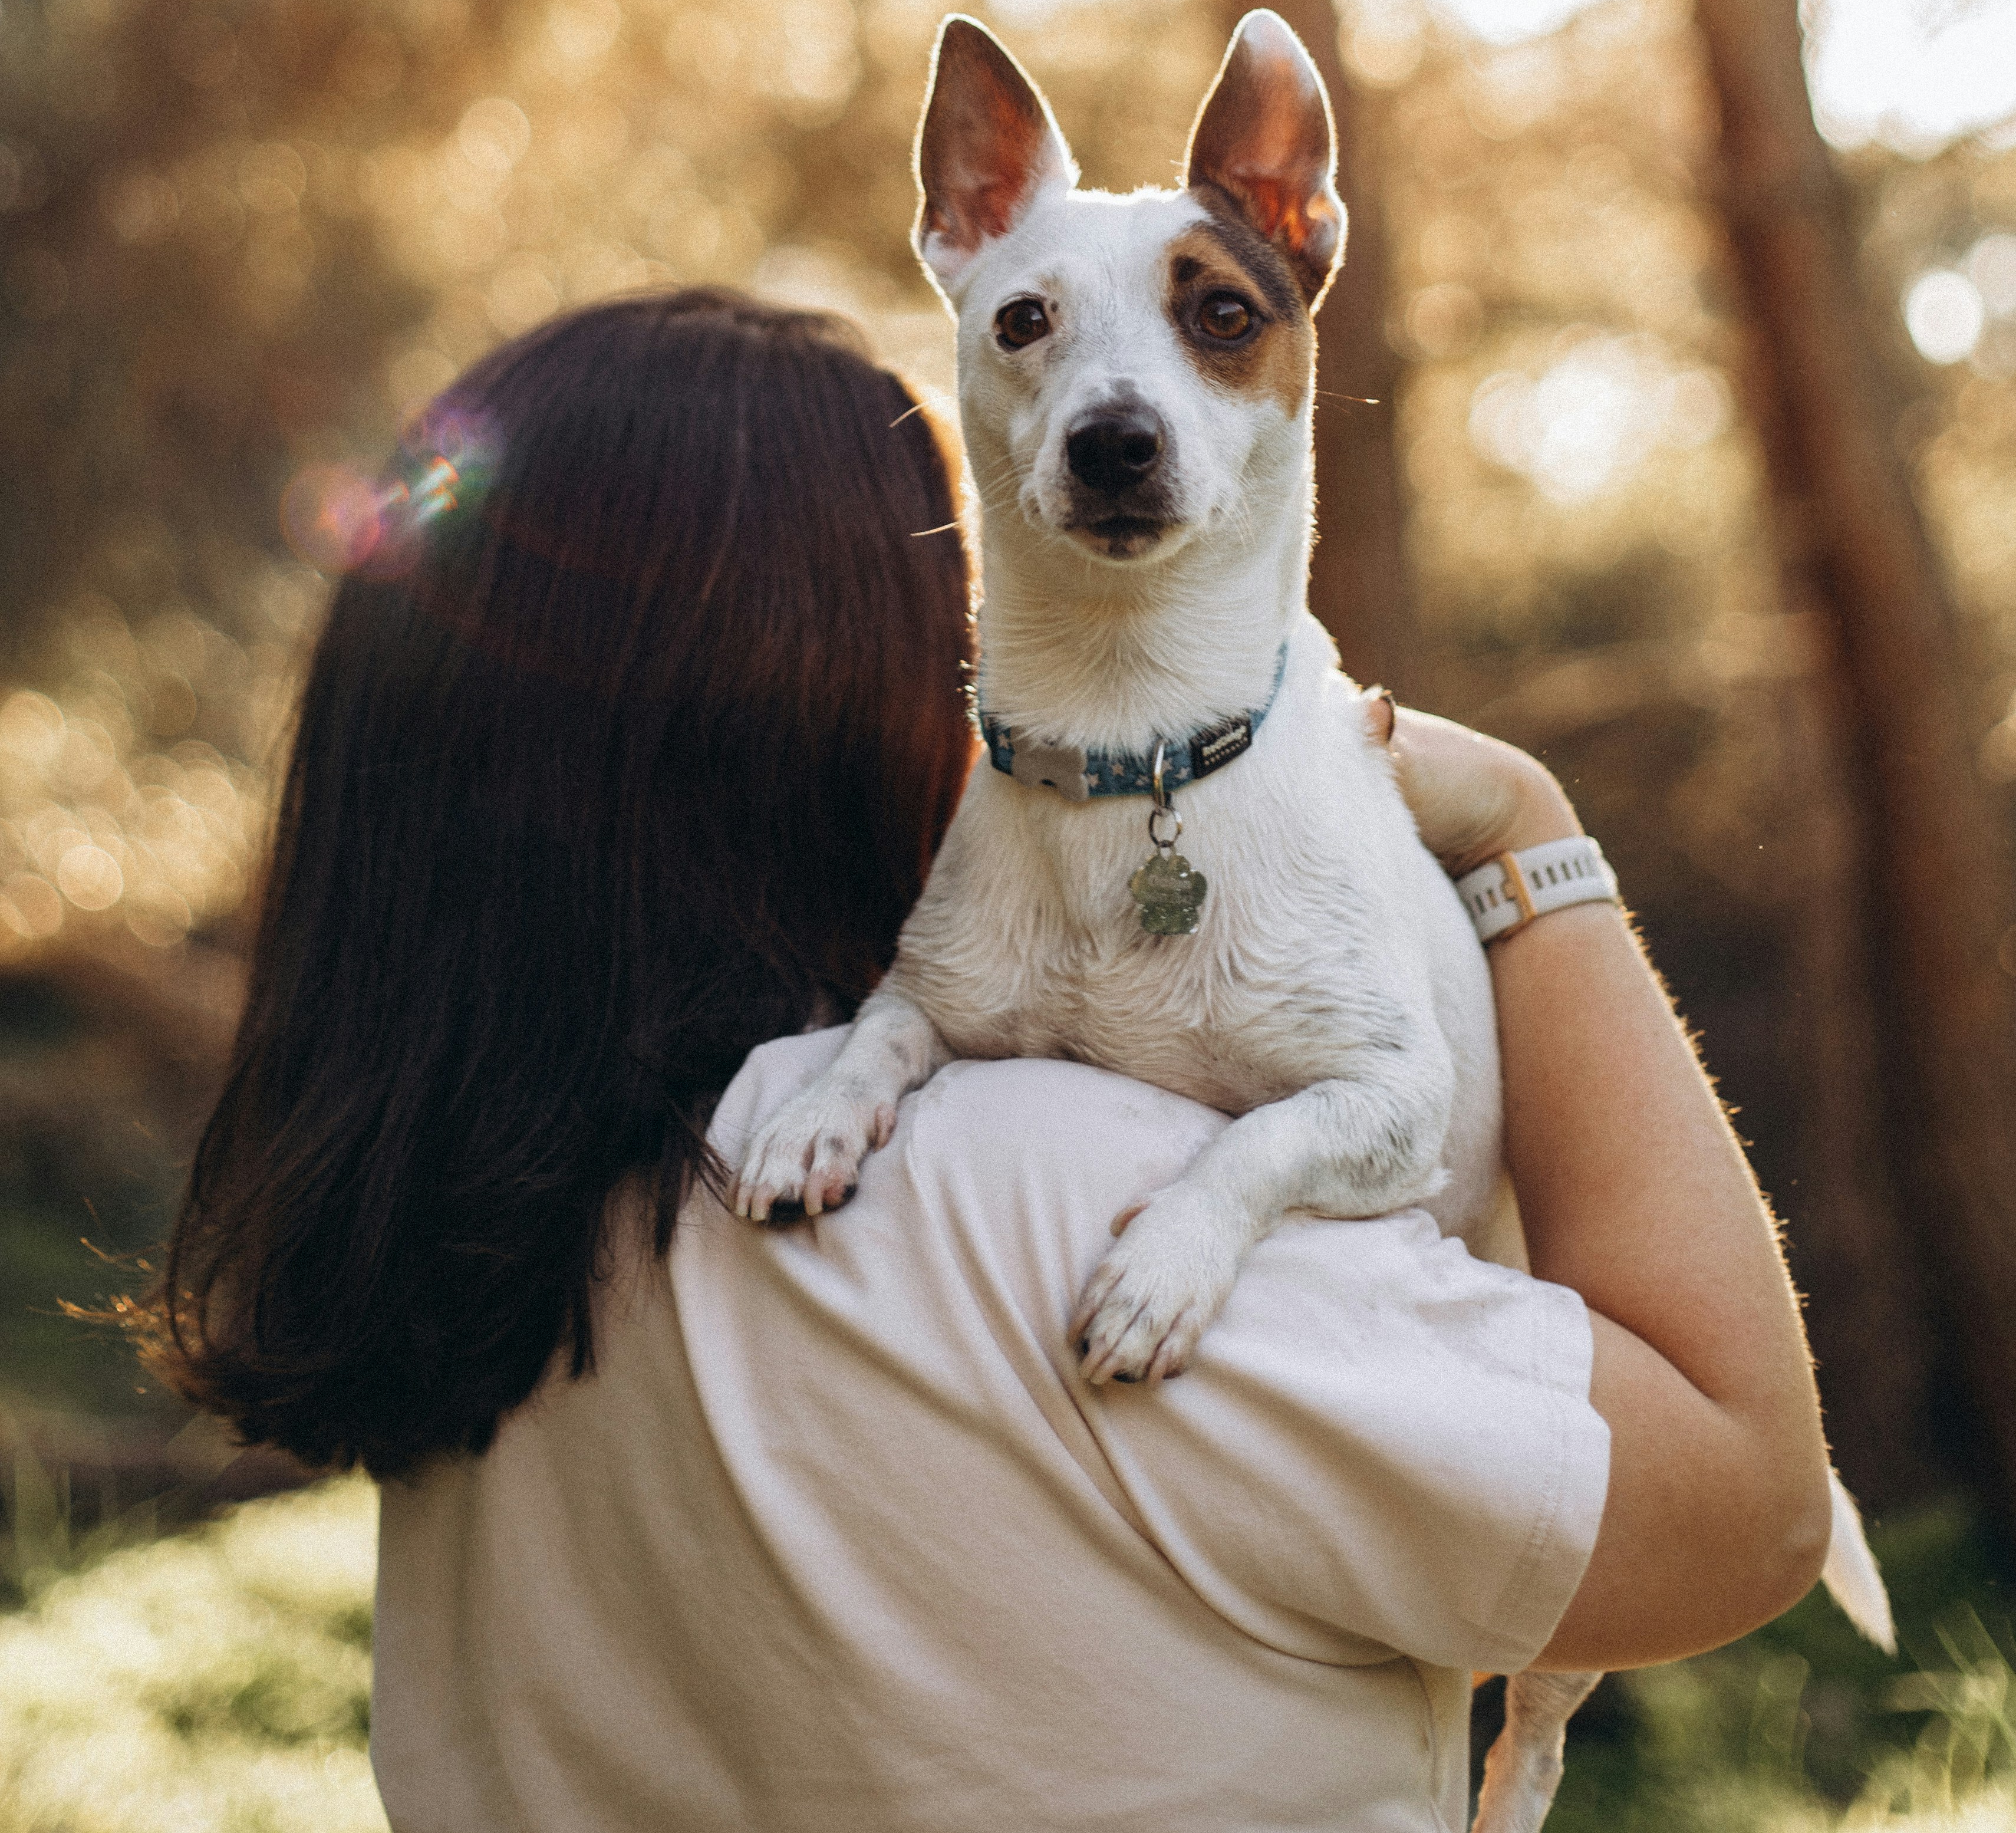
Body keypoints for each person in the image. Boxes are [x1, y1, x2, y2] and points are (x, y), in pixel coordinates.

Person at [144, 288, 1831, 1833]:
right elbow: (1743, 1501)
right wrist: (1531, 843)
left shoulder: (458, 1288)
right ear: (828, 699)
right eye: (959, 606)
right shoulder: (1065, 1200)